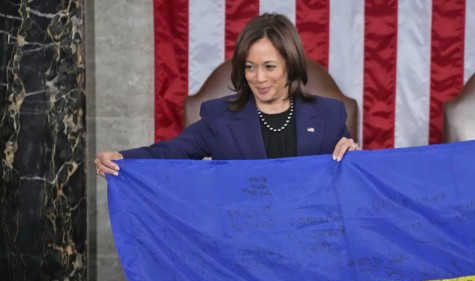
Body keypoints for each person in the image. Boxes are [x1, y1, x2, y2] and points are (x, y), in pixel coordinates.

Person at [94, 13, 359, 177]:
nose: (259, 78)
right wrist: (123, 158)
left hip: (311, 241)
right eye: (250, 67)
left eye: (269, 67)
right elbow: (169, 152)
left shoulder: (329, 114)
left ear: (290, 66)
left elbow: (353, 178)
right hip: (241, 245)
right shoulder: (219, 117)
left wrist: (354, 158)